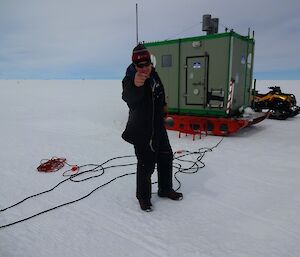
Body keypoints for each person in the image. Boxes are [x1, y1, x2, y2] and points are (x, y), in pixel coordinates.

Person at [121, 43, 183, 212]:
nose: (144, 69)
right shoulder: (130, 78)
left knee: (165, 157)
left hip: (158, 127)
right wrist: (136, 85)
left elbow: (160, 91)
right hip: (141, 130)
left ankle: (165, 189)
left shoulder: (154, 74)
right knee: (146, 164)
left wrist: (163, 106)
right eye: (140, 66)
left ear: (150, 62)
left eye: (147, 64)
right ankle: (143, 197)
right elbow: (127, 97)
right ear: (135, 66)